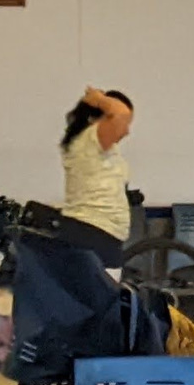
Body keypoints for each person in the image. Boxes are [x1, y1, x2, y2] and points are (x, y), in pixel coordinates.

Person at [57, 87, 135, 263]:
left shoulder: (88, 142)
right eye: (126, 124)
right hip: (95, 232)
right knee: (103, 281)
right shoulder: (92, 138)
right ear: (98, 118)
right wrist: (98, 99)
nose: (126, 131)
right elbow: (121, 112)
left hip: (94, 232)